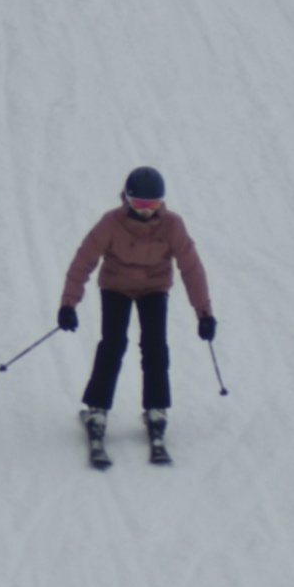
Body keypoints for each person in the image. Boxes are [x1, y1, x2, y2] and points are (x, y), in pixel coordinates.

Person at [58, 166, 216, 450]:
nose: (145, 211)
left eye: (152, 205)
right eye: (139, 204)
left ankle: (156, 409)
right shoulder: (111, 222)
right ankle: (97, 408)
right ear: (127, 199)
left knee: (155, 346)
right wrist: (69, 303)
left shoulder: (172, 225)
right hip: (116, 286)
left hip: (154, 288)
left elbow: (191, 268)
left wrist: (204, 313)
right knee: (113, 344)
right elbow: (83, 261)